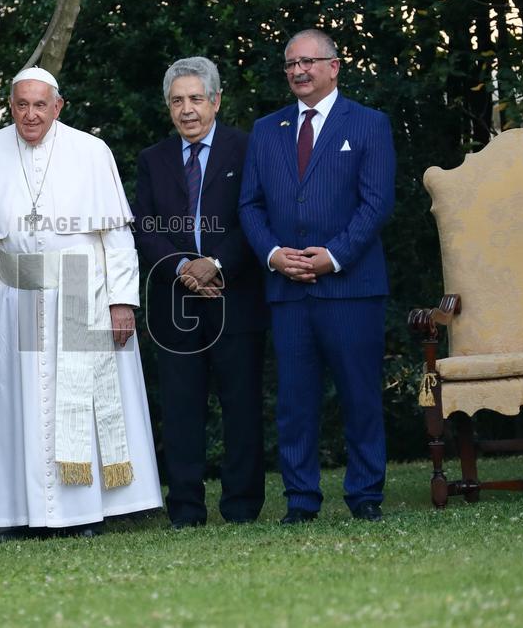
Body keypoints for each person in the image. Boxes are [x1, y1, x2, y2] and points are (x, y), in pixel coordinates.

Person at [0, 67, 162, 540]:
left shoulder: (90, 150)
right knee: (19, 403)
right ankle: (17, 513)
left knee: (79, 402)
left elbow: (117, 236)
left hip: (83, 288)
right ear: (10, 106)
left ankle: (84, 513)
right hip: (18, 292)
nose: (30, 114)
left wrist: (123, 300)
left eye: (40, 105)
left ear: (58, 106)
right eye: (21, 104)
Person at [238, 29, 396, 523]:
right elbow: (250, 204)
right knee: (295, 403)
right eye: (290, 64)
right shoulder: (267, 129)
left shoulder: (369, 124)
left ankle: (365, 495)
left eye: (309, 61)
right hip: (287, 290)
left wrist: (333, 255)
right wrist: (272, 255)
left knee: (361, 396)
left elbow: (377, 204)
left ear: (334, 66)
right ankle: (301, 501)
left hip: (351, 288)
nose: (299, 71)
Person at [132, 57, 269, 528]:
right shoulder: (152, 159)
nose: (186, 109)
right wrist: (184, 268)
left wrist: (215, 264)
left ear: (215, 100)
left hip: (236, 295)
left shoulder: (248, 149)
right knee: (181, 408)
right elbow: (145, 228)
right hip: (175, 300)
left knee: (242, 405)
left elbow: (255, 218)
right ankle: (186, 510)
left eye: (195, 99)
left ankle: (242, 507)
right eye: (177, 101)